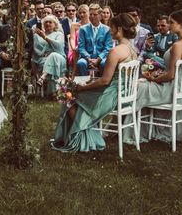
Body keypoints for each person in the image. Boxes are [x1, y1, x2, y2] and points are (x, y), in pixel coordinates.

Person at [51, 13, 138, 152]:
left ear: (119, 29)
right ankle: (82, 134)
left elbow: (104, 81)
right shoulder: (133, 50)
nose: (109, 30)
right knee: (71, 94)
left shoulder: (115, 51)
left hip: (111, 95)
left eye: (112, 27)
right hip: (124, 92)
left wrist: (81, 88)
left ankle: (84, 139)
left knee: (69, 97)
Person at [127, 9, 182, 145]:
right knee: (141, 83)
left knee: (139, 87)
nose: (169, 25)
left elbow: (170, 75)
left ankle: (132, 131)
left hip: (170, 89)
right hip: (178, 89)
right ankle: (142, 129)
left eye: (172, 22)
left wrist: (152, 79)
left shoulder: (177, 46)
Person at [76, 4, 112, 76]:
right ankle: (84, 85)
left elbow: (108, 47)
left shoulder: (107, 30)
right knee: (81, 63)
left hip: (102, 58)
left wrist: (98, 59)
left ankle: (102, 84)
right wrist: (88, 58)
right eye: (91, 14)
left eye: (95, 14)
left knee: (104, 63)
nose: (92, 17)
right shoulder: (83, 29)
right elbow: (81, 47)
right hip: (87, 57)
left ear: (100, 16)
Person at [33, 14, 67, 88]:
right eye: (46, 22)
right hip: (43, 59)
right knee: (52, 59)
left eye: (50, 22)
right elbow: (36, 50)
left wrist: (45, 37)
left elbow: (59, 47)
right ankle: (55, 92)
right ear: (43, 24)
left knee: (54, 55)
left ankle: (43, 76)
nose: (48, 24)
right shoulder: (37, 35)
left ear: (55, 24)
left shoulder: (59, 34)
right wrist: (43, 54)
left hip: (60, 58)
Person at [68, 4, 89, 69]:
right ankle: (74, 74)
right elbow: (72, 39)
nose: (82, 15)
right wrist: (73, 47)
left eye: (84, 12)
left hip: (89, 48)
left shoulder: (92, 25)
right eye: (80, 13)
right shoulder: (74, 25)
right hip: (77, 49)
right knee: (77, 51)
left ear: (88, 13)